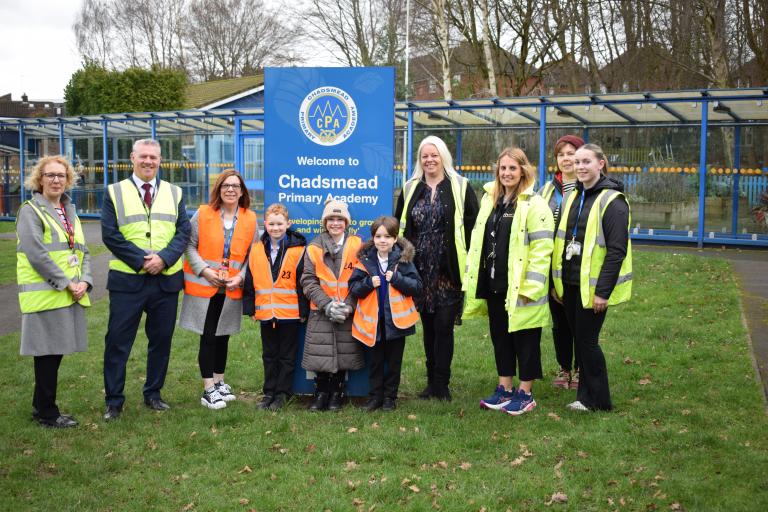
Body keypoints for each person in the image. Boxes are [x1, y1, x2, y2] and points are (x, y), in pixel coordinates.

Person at [101, 138, 191, 421]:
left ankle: (153, 393)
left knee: (161, 340)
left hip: (165, 281)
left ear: (160, 160)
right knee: (117, 341)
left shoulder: (174, 192)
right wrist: (143, 260)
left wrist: (164, 258)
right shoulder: (114, 192)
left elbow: (183, 231)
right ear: (132, 158)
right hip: (128, 282)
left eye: (154, 157)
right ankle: (114, 401)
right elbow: (110, 234)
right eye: (144, 157)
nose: (148, 162)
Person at [463, 148, 554, 415]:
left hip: (523, 287)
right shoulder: (490, 200)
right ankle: (505, 388)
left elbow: (542, 249)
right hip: (495, 284)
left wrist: (532, 287)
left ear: (523, 170)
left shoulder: (535, 205)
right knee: (500, 337)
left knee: (525, 339)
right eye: (503, 168)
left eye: (513, 168)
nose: (507, 173)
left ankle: (525, 392)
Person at [395, 135, 479, 401]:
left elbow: (473, 225)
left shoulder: (460, 186)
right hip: (419, 269)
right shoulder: (410, 187)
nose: (429, 160)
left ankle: (442, 384)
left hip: (448, 268)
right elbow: (399, 225)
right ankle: (431, 382)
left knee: (444, 324)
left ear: (443, 157)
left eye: (434, 155)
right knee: (429, 326)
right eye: (424, 156)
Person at [552, 143, 632, 412]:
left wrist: (602, 292)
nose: (581, 167)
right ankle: (586, 396)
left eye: (587, 161)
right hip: (572, 285)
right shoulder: (575, 196)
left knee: (587, 342)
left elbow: (616, 251)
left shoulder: (613, 201)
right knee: (581, 340)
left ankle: (598, 400)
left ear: (601, 163)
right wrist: (558, 284)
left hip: (593, 289)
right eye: (577, 162)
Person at [17, 155, 92, 428]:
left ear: (68, 180)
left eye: (61, 175)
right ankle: (48, 413)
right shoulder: (30, 211)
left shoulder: (69, 211)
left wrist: (85, 281)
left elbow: (82, 251)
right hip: (46, 295)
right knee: (47, 356)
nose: (56, 180)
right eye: (50, 175)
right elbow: (36, 254)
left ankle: (42, 407)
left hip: (67, 294)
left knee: (54, 354)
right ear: (40, 179)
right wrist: (67, 283)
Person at [179, 170, 258, 410]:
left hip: (231, 287)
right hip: (205, 285)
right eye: (226, 185)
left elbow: (252, 255)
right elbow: (189, 246)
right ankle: (208, 389)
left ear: (242, 190)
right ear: (218, 189)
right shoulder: (203, 214)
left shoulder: (251, 218)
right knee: (209, 336)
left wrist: (242, 278)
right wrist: (205, 271)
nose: (231, 189)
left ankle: (220, 381)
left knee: (223, 335)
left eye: (235, 186)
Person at [349, 216, 422, 412]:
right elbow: (353, 288)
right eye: (378, 236)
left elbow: (416, 286)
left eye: (388, 237)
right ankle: (375, 397)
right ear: (372, 238)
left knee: (393, 364)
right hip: (372, 324)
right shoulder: (365, 261)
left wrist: (397, 278)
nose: (383, 240)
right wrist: (367, 283)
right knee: (375, 363)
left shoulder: (403, 260)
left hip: (396, 324)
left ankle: (390, 398)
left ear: (395, 238)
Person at [243, 203, 308, 411]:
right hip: (265, 312)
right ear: (265, 224)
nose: (276, 228)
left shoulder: (299, 250)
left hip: (290, 314)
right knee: (269, 355)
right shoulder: (256, 249)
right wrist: (250, 308)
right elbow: (250, 280)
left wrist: (303, 310)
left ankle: (282, 393)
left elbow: (303, 283)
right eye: (271, 223)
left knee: (287, 356)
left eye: (280, 223)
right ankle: (269, 392)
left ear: (288, 224)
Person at [301, 200, 364, 412]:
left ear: (346, 222)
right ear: (325, 222)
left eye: (340, 219)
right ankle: (321, 392)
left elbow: (362, 278)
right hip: (321, 311)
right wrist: (327, 304)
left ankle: (337, 392)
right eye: (331, 219)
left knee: (342, 352)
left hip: (347, 311)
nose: (335, 223)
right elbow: (308, 280)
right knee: (321, 352)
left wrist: (348, 305)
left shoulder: (357, 246)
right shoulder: (313, 247)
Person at [539, 135, 584, 390]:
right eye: (562, 154)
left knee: (578, 319)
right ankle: (564, 367)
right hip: (552, 265)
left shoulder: (588, 186)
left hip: (577, 266)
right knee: (560, 322)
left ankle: (580, 369)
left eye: (571, 153)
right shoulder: (547, 190)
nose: (567, 159)